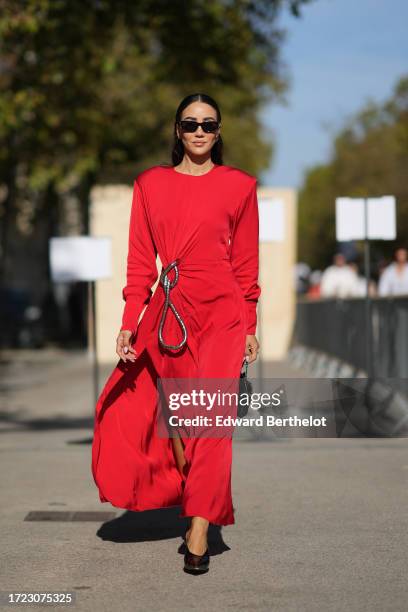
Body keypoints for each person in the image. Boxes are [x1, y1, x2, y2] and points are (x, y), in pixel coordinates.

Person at [91, 93, 261, 575]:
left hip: (223, 312)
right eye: (191, 124)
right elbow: (141, 261)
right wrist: (129, 319)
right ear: (177, 130)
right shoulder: (150, 184)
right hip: (172, 313)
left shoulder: (240, 186)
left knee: (212, 420)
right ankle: (196, 493)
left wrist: (249, 323)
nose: (200, 132)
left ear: (220, 131)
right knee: (182, 422)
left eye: (209, 124)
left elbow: (246, 264)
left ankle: (200, 530)